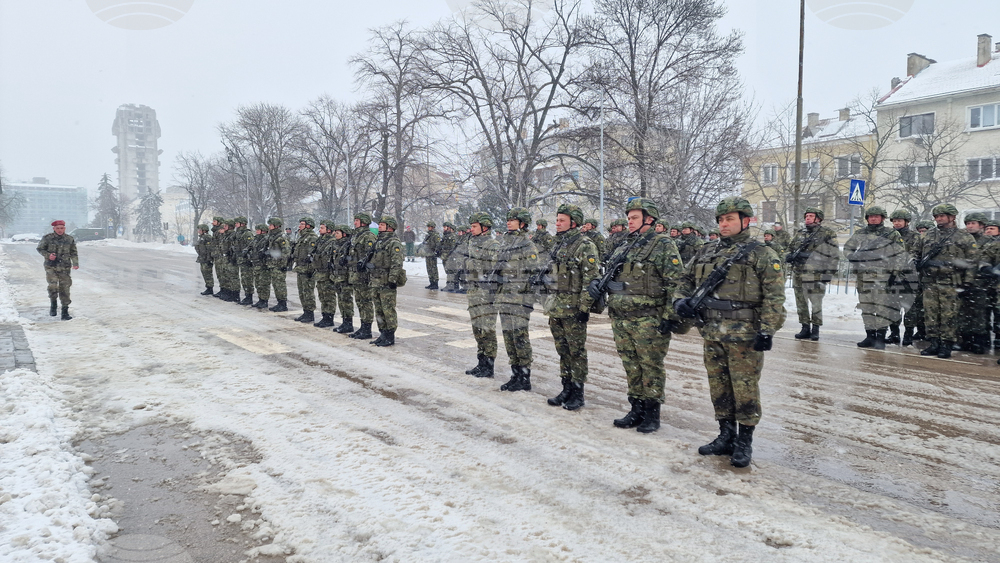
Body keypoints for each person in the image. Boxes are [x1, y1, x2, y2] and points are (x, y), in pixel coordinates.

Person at [674, 197, 785, 468]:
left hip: (744, 334)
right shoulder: (706, 250)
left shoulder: (762, 253)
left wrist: (767, 330)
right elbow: (685, 281)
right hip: (711, 331)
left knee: (745, 388)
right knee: (719, 386)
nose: (724, 224)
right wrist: (680, 300)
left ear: (745, 221)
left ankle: (744, 441)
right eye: (721, 220)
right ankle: (725, 435)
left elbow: (774, 297)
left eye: (730, 219)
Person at [607, 198, 683, 434]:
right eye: (628, 218)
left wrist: (670, 317)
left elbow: (675, 283)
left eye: (634, 218)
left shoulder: (663, 245)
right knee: (631, 365)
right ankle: (636, 408)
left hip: (649, 318)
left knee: (650, 367)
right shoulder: (624, 246)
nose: (629, 222)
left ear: (649, 219)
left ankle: (652, 412)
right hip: (622, 317)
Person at [539, 204, 599, 410]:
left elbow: (591, 280)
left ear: (574, 222)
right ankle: (566, 388)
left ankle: (577, 393)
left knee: (576, 353)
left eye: (561, 220)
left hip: (573, 309)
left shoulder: (585, 245)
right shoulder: (557, 244)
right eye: (557, 220)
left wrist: (584, 308)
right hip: (556, 307)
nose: (557, 223)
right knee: (563, 351)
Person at [915, 204, 978, 359]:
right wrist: (914, 261)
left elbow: (972, 261)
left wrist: (968, 282)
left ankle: (946, 344)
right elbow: (914, 251)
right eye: (936, 216)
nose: (939, 219)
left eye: (942, 216)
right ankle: (934, 343)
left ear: (952, 217)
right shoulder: (928, 235)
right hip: (930, 281)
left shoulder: (964, 236)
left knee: (949, 315)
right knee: (930, 314)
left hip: (951, 282)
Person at [843, 207, 908, 350]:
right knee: (866, 308)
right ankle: (869, 335)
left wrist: (894, 273)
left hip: (883, 277)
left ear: (882, 218)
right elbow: (847, 248)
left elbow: (900, 255)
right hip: (863, 277)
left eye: (876, 216)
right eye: (870, 216)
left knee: (881, 308)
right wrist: (852, 257)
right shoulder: (860, 234)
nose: (873, 219)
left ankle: (880, 337)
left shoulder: (891, 234)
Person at [495, 208, 540, 392]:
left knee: (520, 338)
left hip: (519, 299)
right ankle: (515, 374)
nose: (508, 222)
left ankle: (524, 377)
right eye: (508, 219)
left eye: (512, 220)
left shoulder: (527, 247)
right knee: (509, 338)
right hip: (505, 297)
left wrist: (528, 300)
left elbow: (534, 275)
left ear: (522, 223)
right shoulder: (505, 243)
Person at [786, 207, 841, 341]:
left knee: (816, 302)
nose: (808, 218)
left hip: (817, 274)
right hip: (799, 273)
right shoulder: (800, 233)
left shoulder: (827, 233)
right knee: (801, 302)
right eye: (806, 216)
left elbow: (834, 255)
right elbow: (789, 249)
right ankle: (805, 327)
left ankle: (815, 328)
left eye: (811, 216)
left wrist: (829, 273)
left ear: (818, 219)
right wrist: (789, 256)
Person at [464, 213, 501, 378]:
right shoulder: (472, 243)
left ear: (484, 228)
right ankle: (481, 362)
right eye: (471, 226)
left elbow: (497, 270)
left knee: (487, 330)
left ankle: (489, 365)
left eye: (474, 226)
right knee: (477, 329)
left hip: (486, 294)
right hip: (474, 293)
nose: (471, 229)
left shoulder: (493, 245)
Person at [369, 215, 406, 346]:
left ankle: (390, 336)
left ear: (390, 228)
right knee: (378, 309)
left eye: (382, 225)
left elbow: (397, 263)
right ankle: (382, 334)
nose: (379, 227)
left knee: (388, 309)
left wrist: (392, 280)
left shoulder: (393, 243)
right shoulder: (379, 242)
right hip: (376, 281)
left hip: (386, 282)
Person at [958, 212, 991, 353]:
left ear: (982, 225)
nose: (970, 226)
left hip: (982, 284)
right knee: (963, 313)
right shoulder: (963, 240)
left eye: (973, 223)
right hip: (963, 282)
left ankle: (979, 342)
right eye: (968, 223)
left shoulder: (990, 242)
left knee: (980, 314)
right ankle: (965, 341)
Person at [890, 209, 922, 345]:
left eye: (899, 220)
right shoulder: (889, 235)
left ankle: (908, 334)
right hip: (892, 276)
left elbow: (915, 254)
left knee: (910, 308)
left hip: (909, 277)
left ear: (906, 222)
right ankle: (894, 333)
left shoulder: (915, 236)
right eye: (895, 221)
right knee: (892, 307)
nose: (897, 223)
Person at [36, 220, 79, 320]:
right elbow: (40, 248)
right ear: (54, 229)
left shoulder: (69, 239)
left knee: (65, 288)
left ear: (65, 228)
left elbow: (74, 252)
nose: (60, 230)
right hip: (51, 266)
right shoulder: (48, 238)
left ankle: (65, 312)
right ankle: (53, 306)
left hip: (65, 267)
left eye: (62, 228)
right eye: (58, 228)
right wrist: (48, 255)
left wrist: (75, 263)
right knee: (53, 286)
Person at [347, 212, 377, 339]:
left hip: (364, 275)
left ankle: (367, 329)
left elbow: (370, 254)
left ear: (364, 222)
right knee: (359, 301)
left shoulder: (368, 236)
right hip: (355, 274)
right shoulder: (357, 236)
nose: (354, 223)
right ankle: (362, 326)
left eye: (357, 221)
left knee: (366, 302)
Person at [290, 217, 318, 323]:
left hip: (307, 269)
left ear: (308, 226)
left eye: (302, 224)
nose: (299, 226)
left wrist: (311, 270)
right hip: (300, 268)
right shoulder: (302, 237)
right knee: (301, 292)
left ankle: (310, 313)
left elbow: (313, 256)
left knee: (308, 292)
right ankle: (305, 311)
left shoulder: (312, 238)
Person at [312, 221, 339, 328]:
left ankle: (329, 318)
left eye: (322, 228)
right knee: (322, 296)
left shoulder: (332, 242)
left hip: (328, 274)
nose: (319, 230)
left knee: (329, 297)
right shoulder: (320, 241)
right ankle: (325, 316)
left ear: (328, 230)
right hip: (320, 273)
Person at [330, 225, 355, 333]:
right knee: (341, 300)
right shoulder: (336, 244)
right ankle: (345, 323)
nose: (335, 234)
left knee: (346, 301)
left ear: (344, 234)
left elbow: (352, 261)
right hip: (337, 276)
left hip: (345, 277)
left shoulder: (348, 245)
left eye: (338, 233)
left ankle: (349, 324)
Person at [264, 218, 291, 312]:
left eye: (271, 225)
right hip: (273, 264)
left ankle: (283, 304)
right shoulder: (272, 236)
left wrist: (283, 265)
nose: (269, 226)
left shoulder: (281, 237)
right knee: (276, 285)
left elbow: (286, 252)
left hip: (278, 265)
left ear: (276, 226)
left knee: (280, 285)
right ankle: (279, 303)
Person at [232, 217, 255, 305]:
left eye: (237, 223)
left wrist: (248, 257)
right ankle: (247, 296)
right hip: (241, 259)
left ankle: (249, 297)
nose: (236, 225)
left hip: (246, 260)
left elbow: (251, 246)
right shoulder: (238, 233)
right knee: (244, 279)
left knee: (247, 279)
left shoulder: (247, 233)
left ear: (242, 224)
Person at [249, 224, 271, 309]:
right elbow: (250, 246)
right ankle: (260, 299)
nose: (256, 231)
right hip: (256, 263)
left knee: (264, 283)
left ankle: (264, 300)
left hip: (263, 265)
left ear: (263, 231)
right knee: (258, 283)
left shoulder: (265, 239)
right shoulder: (256, 239)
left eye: (258, 230)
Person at [194, 224, 214, 295]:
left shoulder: (207, 237)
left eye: (199, 230)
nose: (198, 231)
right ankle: (208, 287)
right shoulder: (202, 237)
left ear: (204, 230)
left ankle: (210, 288)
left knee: (208, 274)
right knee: (204, 273)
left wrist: (209, 259)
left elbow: (209, 249)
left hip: (206, 259)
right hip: (202, 258)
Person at [423, 221, 442, 290]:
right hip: (428, 254)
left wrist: (436, 252)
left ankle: (435, 283)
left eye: (430, 227)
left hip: (432, 254)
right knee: (429, 269)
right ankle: (431, 282)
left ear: (433, 227)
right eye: (428, 227)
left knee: (433, 269)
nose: (429, 228)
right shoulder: (427, 235)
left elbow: (438, 244)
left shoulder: (435, 235)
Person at [440, 222, 459, 292]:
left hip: (450, 256)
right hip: (445, 256)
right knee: (449, 271)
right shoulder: (446, 236)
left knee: (450, 271)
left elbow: (453, 247)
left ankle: (451, 286)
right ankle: (453, 286)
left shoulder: (452, 236)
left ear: (449, 228)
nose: (444, 229)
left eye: (445, 227)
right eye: (444, 227)